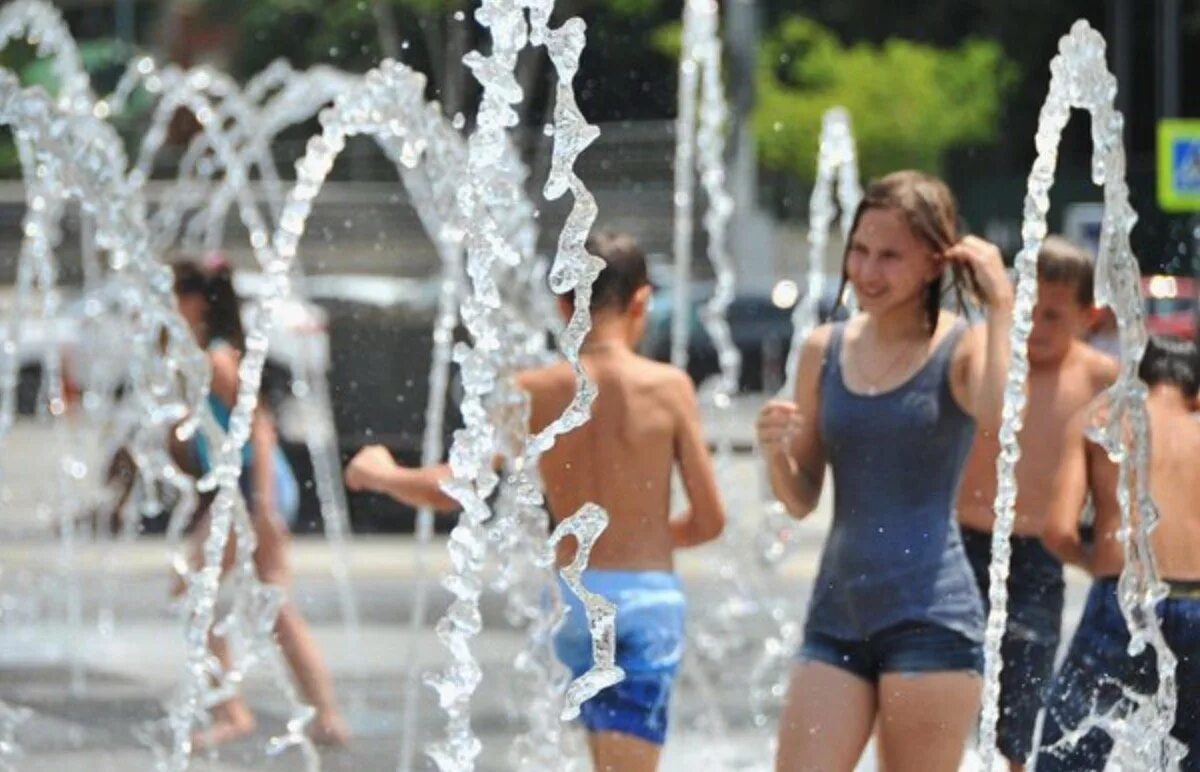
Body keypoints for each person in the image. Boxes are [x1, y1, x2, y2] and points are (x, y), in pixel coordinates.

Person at [344, 231, 726, 772]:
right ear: (642, 301)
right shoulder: (669, 387)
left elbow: (457, 487)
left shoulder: (530, 389)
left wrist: (384, 474)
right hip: (647, 604)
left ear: (563, 302)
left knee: (604, 759)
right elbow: (710, 519)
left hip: (570, 606)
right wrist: (643, 540)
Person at [757, 170, 1013, 772]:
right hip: (836, 617)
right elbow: (800, 498)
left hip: (932, 623)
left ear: (933, 262)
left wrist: (1000, 306)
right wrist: (774, 451)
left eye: (890, 256)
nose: (867, 272)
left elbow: (1000, 420)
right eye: (860, 251)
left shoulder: (963, 348)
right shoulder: (823, 348)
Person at [954, 236, 1117, 771]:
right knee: (947, 677)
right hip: (958, 542)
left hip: (1037, 558)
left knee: (1023, 688)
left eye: (1053, 315)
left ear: (1087, 317)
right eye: (1027, 309)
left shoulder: (1098, 378)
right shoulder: (984, 348)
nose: (1037, 327)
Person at [172, 260, 350, 748]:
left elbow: (262, 428)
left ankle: (233, 713)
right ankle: (327, 716)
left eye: (174, 293)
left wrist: (264, 505)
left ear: (195, 301)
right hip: (247, 489)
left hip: (255, 488)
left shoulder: (219, 359)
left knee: (195, 595)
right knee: (273, 606)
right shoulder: (213, 354)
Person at [1037, 334, 1200, 771]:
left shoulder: (1101, 419)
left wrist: (1098, 565)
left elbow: (1057, 530)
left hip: (1125, 602)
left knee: (1067, 754)